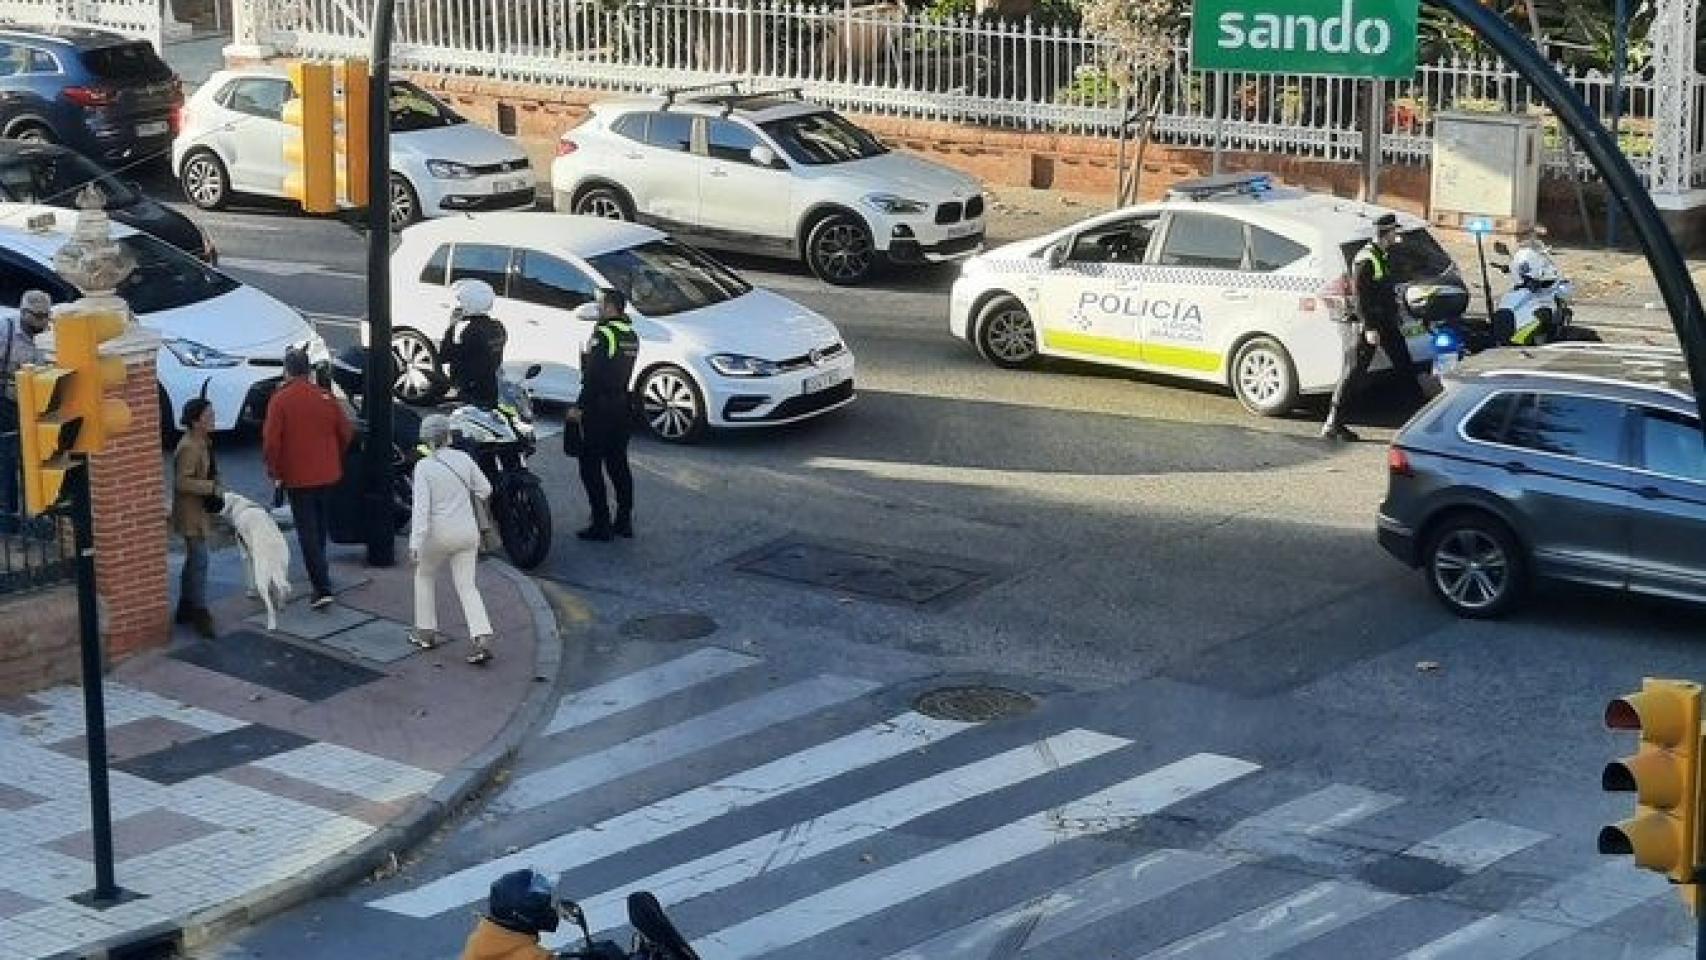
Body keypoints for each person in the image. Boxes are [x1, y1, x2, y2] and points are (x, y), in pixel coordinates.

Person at [1321, 213, 1427, 442]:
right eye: (1394, 233)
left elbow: (1383, 291)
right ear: (1386, 233)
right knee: (1354, 373)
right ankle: (1334, 421)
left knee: (1404, 366)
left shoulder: (1381, 254)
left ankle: (1422, 419)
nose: (1397, 236)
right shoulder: (1366, 258)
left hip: (1386, 323)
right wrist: (1369, 327)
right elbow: (1361, 297)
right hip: (1370, 326)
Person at [263, 347, 353, 609]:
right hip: (327, 473)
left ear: (287, 370)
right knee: (320, 526)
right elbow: (345, 431)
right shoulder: (324, 396)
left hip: (298, 476)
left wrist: (275, 471)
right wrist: (333, 456)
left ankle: (321, 585)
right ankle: (321, 573)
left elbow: (271, 443)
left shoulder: (280, 400)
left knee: (308, 531)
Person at [408, 413, 496, 666]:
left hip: (437, 535)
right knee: (467, 586)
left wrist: (415, 543)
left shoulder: (424, 467)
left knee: (424, 576)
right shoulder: (464, 459)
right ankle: (481, 636)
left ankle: (426, 633)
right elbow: (485, 489)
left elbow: (421, 510)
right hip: (468, 532)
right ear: (448, 436)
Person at [571, 288, 639, 542]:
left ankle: (601, 523)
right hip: (622, 407)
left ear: (611, 307)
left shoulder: (603, 334)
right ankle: (624, 520)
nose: (597, 308)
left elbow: (593, 377)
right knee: (618, 464)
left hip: (600, 409)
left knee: (590, 466)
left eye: (600, 304)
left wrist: (579, 407)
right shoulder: (630, 334)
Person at [0, 291, 51, 530]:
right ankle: (8, 517)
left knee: (38, 462)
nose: (41, 322)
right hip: (7, 406)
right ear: (23, 313)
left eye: (44, 316)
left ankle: (41, 516)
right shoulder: (5, 333)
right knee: (7, 460)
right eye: (36, 316)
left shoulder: (49, 335)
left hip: (38, 407)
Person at [171, 398, 222, 639]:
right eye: (208, 416)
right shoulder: (189, 447)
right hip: (190, 514)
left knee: (194, 560)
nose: (212, 419)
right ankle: (199, 611)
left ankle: (185, 605)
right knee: (200, 560)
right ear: (195, 421)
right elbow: (182, 482)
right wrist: (210, 487)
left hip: (199, 512)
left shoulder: (203, 442)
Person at [459, 869, 559, 960]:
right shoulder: (533, 957)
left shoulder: (481, 939)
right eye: (543, 906)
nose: (550, 910)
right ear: (524, 915)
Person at [439, 279, 508, 409]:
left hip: (470, 395)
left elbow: (444, 356)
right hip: (491, 390)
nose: (458, 305)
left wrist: (451, 325)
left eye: (461, 301)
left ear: (469, 303)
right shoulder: (498, 327)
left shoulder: (468, 330)